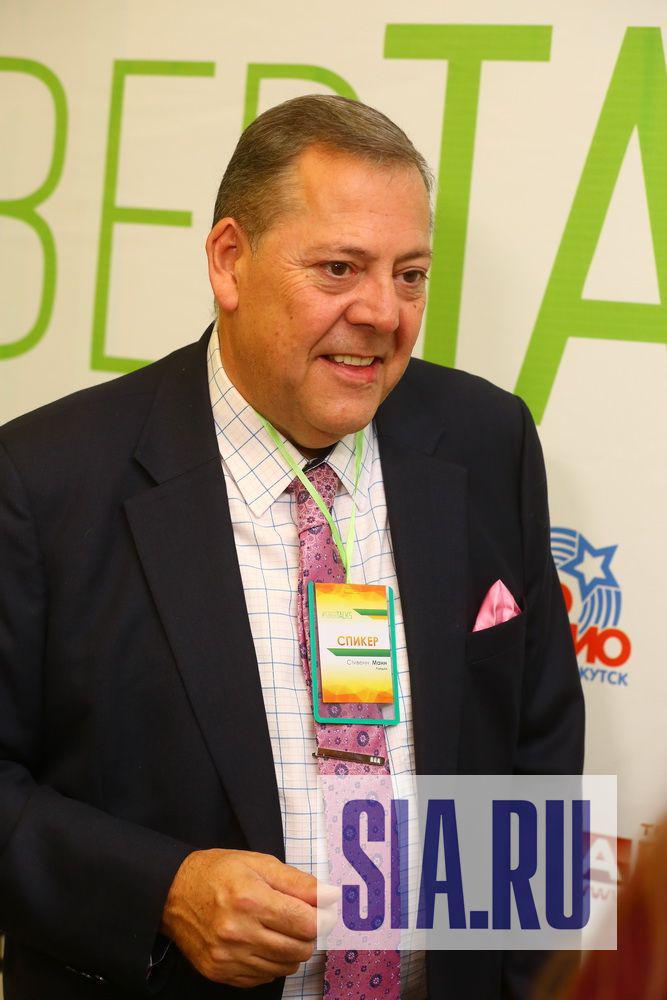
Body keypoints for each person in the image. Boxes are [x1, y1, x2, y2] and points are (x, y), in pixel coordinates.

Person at [0, 95, 584, 999]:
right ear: (229, 261)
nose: (382, 312)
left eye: (410, 275)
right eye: (339, 268)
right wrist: (162, 892)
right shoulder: (43, 481)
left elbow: (535, 756)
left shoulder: (486, 439)